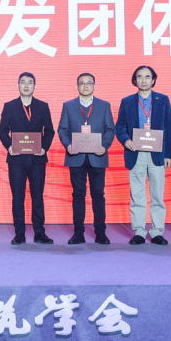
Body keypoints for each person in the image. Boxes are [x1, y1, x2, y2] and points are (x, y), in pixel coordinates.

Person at [114, 65, 171, 245]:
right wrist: (126, 140)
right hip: (136, 152)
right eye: (139, 76)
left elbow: (169, 127)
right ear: (135, 80)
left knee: (157, 195)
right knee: (137, 194)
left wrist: (169, 154)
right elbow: (120, 127)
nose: (143, 80)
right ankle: (139, 231)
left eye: (147, 77)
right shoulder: (127, 101)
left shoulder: (163, 100)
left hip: (157, 153)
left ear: (153, 80)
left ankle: (157, 231)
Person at [0, 72, 55, 245]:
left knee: (38, 197)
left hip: (37, 159)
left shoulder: (43, 106)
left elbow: (49, 130)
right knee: (18, 197)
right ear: (18, 85)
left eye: (30, 82)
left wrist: (44, 148)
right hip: (16, 159)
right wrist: (9, 146)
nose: (26, 85)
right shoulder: (9, 106)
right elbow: (2, 130)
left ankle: (39, 233)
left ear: (34, 86)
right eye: (23, 82)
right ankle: (19, 234)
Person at [57, 73, 115, 245]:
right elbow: (62, 129)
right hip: (76, 156)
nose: (85, 86)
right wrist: (68, 145)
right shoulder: (68, 106)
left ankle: (100, 233)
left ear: (94, 86)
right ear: (77, 86)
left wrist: (104, 146)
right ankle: (78, 234)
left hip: (98, 156)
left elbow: (110, 129)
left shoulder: (104, 105)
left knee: (98, 195)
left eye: (89, 83)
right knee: (78, 195)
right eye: (82, 83)